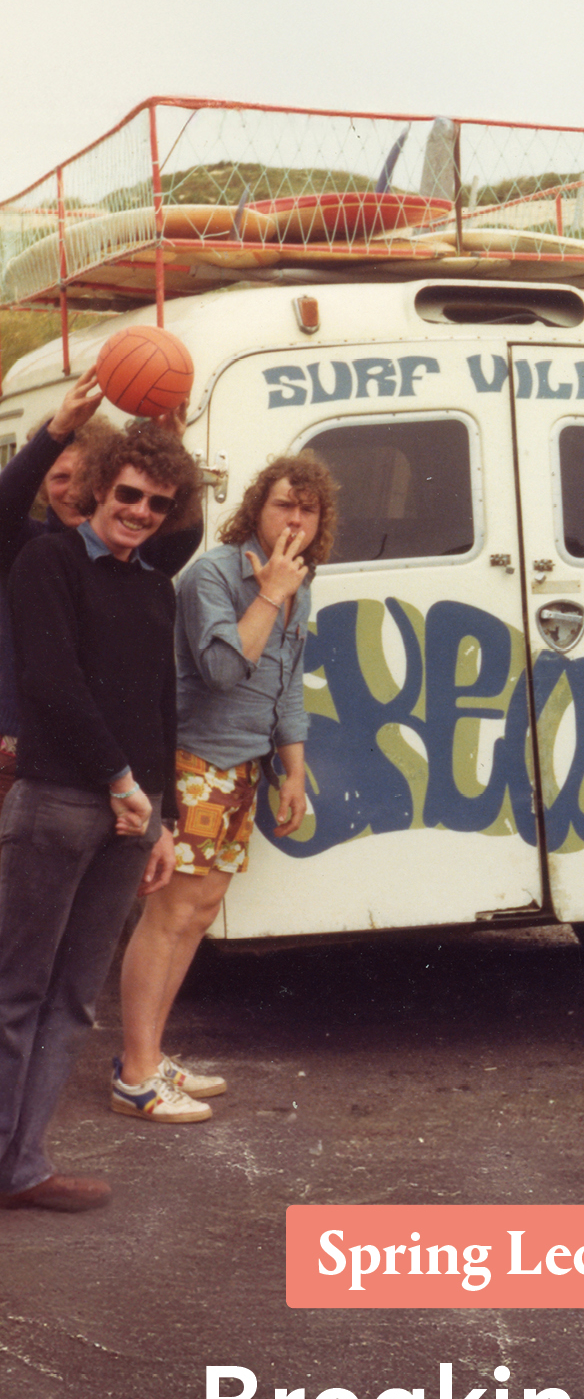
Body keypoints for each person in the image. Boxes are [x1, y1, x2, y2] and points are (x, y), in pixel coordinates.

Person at [0, 423, 201, 1210]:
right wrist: (122, 784)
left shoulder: (153, 584)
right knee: (17, 991)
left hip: (132, 815)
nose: (141, 511)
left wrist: (166, 821)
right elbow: (54, 684)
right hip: (57, 803)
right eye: (127, 494)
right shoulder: (45, 560)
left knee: (75, 998)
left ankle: (21, 1166)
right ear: (97, 490)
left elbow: (160, 706)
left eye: (157, 502)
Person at [116, 453, 338, 1115]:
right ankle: (134, 1075)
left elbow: (287, 679)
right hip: (195, 762)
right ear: (255, 510)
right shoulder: (214, 575)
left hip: (245, 768)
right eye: (282, 505)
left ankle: (151, 1057)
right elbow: (219, 670)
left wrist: (292, 769)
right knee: (169, 915)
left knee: (201, 915)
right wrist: (269, 592)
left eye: (308, 509)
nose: (294, 519)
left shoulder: (300, 581)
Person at [0, 369, 202, 811]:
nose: (71, 491)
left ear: (101, 481)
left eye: (82, 476)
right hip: (21, 751)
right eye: (57, 477)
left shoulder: (134, 562)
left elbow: (184, 529)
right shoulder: (25, 544)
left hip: (108, 762)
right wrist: (56, 432)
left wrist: (168, 452)